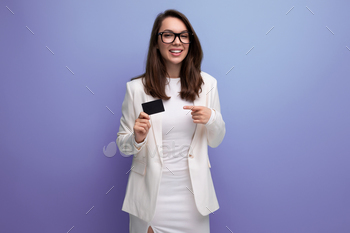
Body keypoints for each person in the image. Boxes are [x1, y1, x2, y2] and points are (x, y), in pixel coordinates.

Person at [116, 9, 226, 233]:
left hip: (193, 201)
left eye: (183, 35)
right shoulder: (137, 88)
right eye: (168, 35)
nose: (177, 42)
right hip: (151, 200)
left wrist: (212, 118)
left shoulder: (208, 85)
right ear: (156, 42)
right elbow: (123, 146)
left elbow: (216, 140)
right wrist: (136, 138)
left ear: (190, 41)